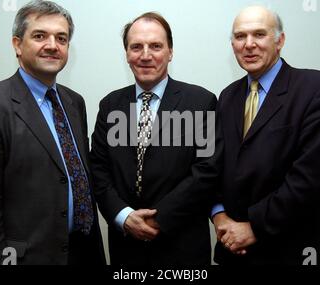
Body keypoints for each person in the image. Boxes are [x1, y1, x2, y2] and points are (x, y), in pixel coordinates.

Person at [0, 0, 105, 265]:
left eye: (61, 38)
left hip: (83, 253)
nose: (52, 45)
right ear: (17, 44)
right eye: (39, 36)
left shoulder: (73, 102)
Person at [212, 5, 320, 265]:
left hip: (287, 250)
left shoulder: (317, 89)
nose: (249, 44)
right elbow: (214, 165)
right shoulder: (227, 97)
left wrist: (254, 226)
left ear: (279, 40)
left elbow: (312, 180)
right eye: (240, 36)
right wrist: (219, 215)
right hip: (232, 253)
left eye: (259, 34)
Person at [89, 12, 221, 266]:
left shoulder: (201, 102)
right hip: (126, 249)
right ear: (127, 54)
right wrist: (124, 216)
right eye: (136, 46)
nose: (146, 55)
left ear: (170, 52)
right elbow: (98, 169)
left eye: (156, 46)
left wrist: (158, 219)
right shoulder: (110, 105)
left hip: (182, 248)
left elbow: (207, 170)